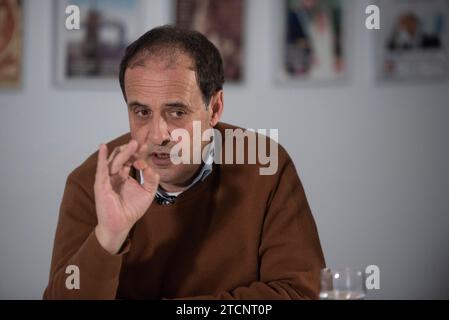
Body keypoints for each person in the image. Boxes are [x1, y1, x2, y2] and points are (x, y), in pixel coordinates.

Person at [43, 25, 325, 300]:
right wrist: (108, 237)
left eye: (176, 112)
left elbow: (300, 292)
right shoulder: (93, 182)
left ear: (214, 108)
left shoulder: (265, 164)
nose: (157, 135)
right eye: (141, 112)